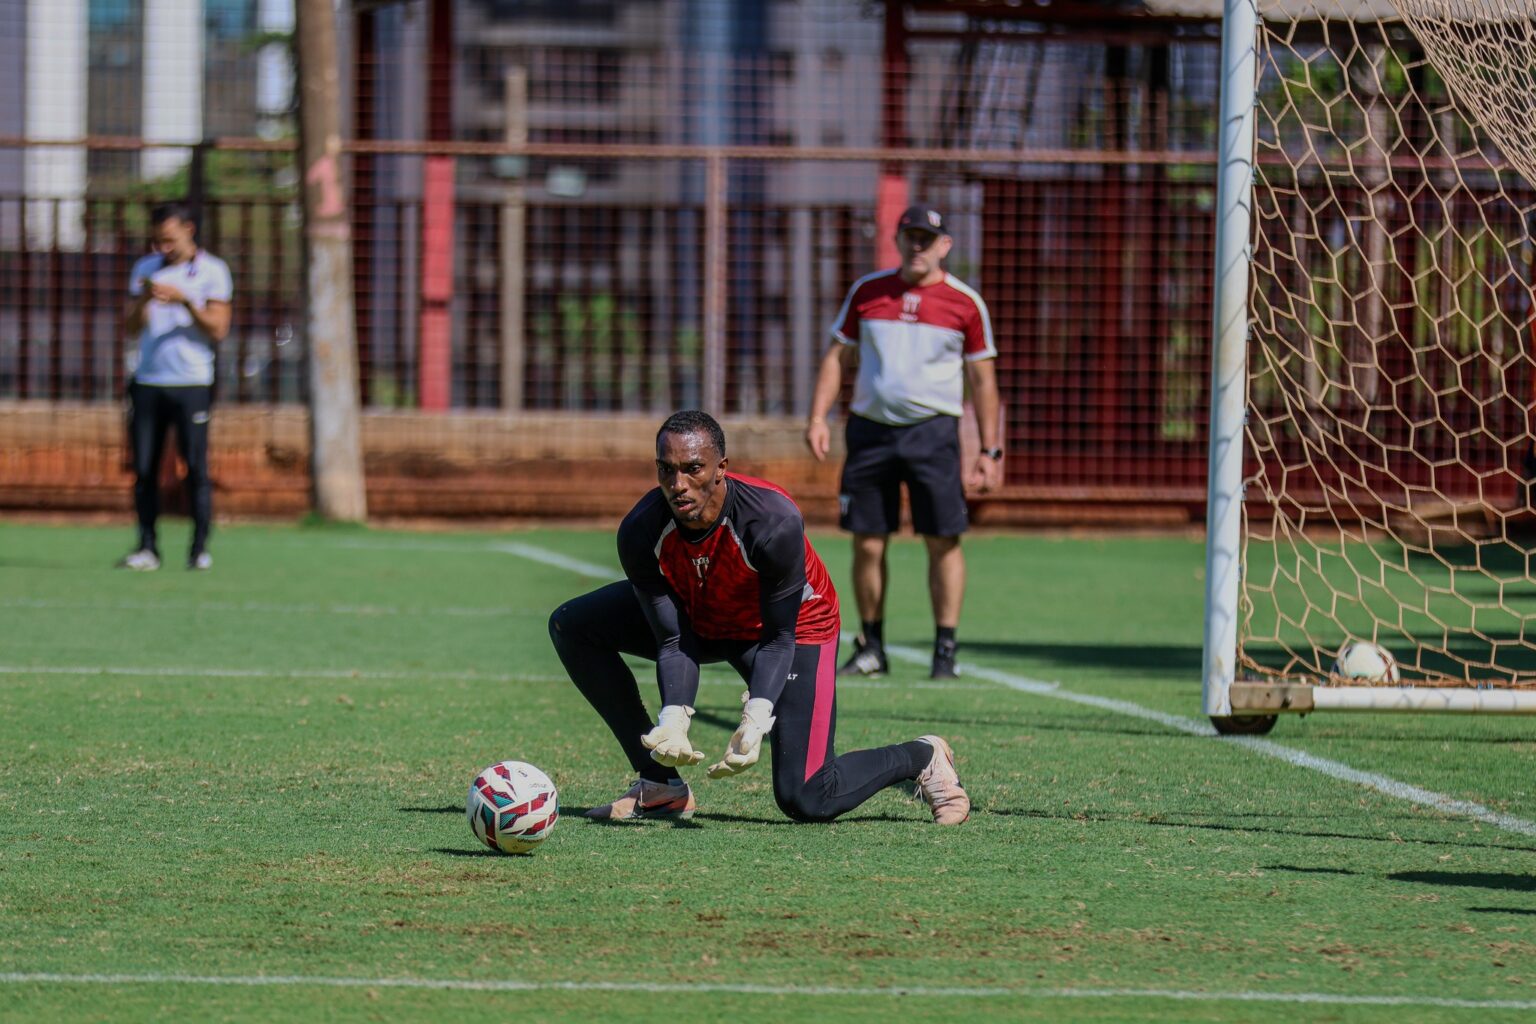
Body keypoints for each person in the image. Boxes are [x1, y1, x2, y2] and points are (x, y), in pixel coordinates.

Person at [548, 410, 970, 826]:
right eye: (666, 470)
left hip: (787, 629)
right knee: (573, 625)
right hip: (704, 611)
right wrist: (674, 717)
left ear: (720, 469)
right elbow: (673, 640)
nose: (678, 485)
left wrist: (757, 715)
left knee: (807, 796)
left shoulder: (772, 522)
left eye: (693, 468)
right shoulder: (640, 531)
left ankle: (922, 755)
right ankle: (660, 785)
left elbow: (779, 637)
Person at [805, 204, 1001, 680]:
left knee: (943, 540)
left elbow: (983, 379)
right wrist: (818, 416)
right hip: (871, 432)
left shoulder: (965, 303)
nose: (918, 245)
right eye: (910, 235)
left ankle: (945, 652)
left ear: (944, 245)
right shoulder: (868, 292)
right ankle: (871, 646)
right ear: (898, 239)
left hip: (933, 433)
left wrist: (990, 451)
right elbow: (837, 356)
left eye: (927, 238)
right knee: (868, 542)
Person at [118, 202, 233, 572]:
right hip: (148, 380)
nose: (162, 248)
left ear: (189, 230)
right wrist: (146, 300)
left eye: (169, 240)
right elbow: (131, 327)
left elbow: (218, 328)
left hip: (192, 382)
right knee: (145, 469)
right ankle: (147, 548)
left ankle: (199, 549)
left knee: (196, 467)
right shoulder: (145, 269)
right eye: (157, 241)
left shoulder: (212, 271)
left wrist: (186, 301)